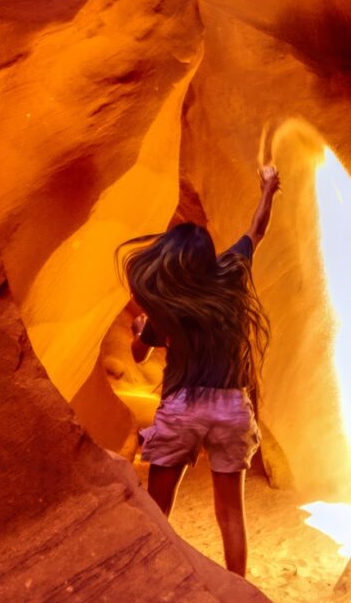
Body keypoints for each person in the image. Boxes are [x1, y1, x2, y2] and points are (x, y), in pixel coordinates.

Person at [119, 164, 281, 576]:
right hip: (231, 407)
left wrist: (139, 330)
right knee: (231, 512)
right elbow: (257, 229)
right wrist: (268, 189)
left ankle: (153, 578)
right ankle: (239, 587)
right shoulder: (230, 273)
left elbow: (139, 355)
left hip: (183, 408)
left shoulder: (168, 304)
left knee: (159, 506)